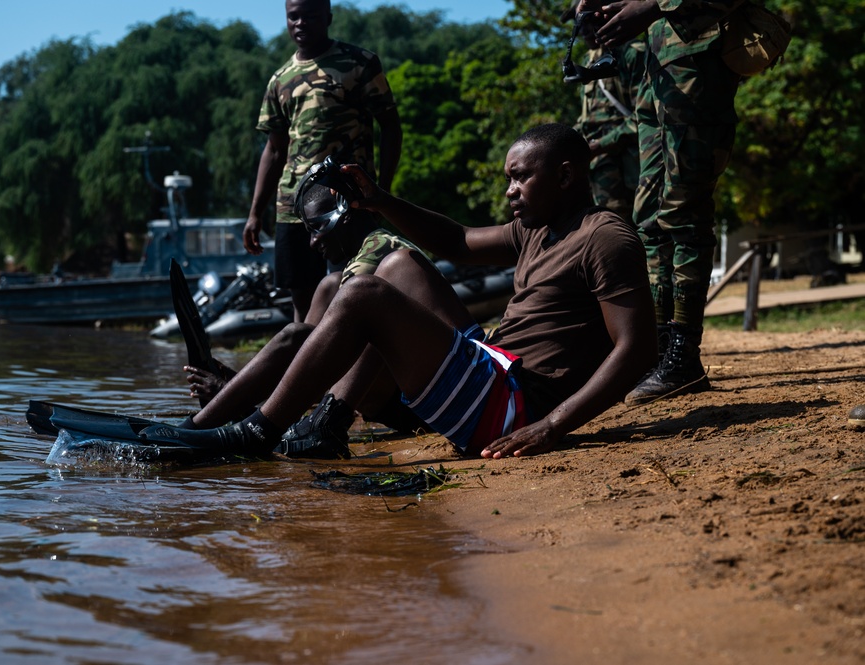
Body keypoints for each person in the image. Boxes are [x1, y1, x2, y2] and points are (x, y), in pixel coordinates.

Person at [141, 124, 656, 460]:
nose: (509, 191)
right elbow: (455, 241)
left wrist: (552, 426)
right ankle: (211, 425)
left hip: (512, 407)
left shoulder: (604, 238)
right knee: (395, 266)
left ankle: (255, 433)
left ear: (565, 176)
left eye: (520, 178)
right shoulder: (540, 228)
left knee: (363, 294)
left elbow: (636, 349)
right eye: (508, 179)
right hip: (493, 368)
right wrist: (380, 200)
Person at [184, 158, 479, 458]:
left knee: (297, 335)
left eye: (317, 227)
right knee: (328, 288)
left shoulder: (377, 252)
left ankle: (193, 431)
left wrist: (236, 390)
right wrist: (242, 387)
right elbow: (308, 365)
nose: (313, 242)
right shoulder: (357, 262)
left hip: (427, 405)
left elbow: (311, 356)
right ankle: (243, 412)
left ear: (346, 215)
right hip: (401, 397)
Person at [584, 0, 743, 405]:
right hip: (659, 69)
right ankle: (654, 351)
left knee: (684, 212)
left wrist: (652, 5)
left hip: (697, 61)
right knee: (649, 220)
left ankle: (684, 355)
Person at [243, 0, 402, 323]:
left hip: (346, 201)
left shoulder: (360, 64)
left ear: (328, 17)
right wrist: (254, 213)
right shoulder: (280, 79)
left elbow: (391, 126)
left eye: (310, 16)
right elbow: (274, 150)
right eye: (293, 17)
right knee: (302, 298)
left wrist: (381, 191)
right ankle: (305, 366)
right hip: (292, 206)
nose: (301, 23)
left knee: (349, 287)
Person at [573, 38, 646, 220]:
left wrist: (601, 145)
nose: (585, 30)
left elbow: (645, 117)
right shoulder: (588, 60)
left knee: (622, 225)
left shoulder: (632, 53)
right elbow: (586, 117)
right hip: (594, 164)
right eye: (580, 24)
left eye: (591, 20)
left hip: (627, 164)